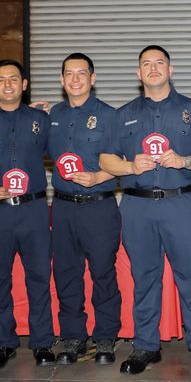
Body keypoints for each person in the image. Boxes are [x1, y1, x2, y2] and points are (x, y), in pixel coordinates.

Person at [99, 45, 191, 375]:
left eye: (160, 63)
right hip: (137, 206)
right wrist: (129, 166)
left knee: (189, 277)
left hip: (180, 204)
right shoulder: (121, 114)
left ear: (170, 70)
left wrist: (184, 161)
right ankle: (145, 345)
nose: (153, 68)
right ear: (138, 74)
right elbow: (104, 159)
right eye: (146, 64)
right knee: (144, 277)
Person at [0, 60, 56, 368]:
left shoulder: (41, 120)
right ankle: (3, 343)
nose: (7, 84)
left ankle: (43, 343)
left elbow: (60, 154)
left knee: (39, 278)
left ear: (24, 84)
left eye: (13, 79)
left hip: (32, 211)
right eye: (0, 79)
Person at [47, 53, 121, 365]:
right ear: (62, 80)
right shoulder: (51, 116)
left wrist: (99, 177)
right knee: (66, 273)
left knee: (103, 272)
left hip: (98, 208)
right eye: (69, 74)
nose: (75, 79)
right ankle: (73, 335)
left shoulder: (110, 116)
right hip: (63, 208)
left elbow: (123, 163)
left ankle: (105, 335)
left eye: (82, 73)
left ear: (93, 78)